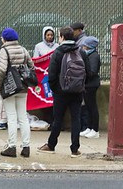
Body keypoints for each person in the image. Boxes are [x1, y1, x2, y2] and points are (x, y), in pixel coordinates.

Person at [38, 27, 89, 157]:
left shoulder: (58, 52)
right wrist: (81, 86)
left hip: (61, 92)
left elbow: (52, 75)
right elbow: (88, 72)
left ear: (61, 37)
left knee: (57, 119)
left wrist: (56, 89)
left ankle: (51, 145)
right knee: (76, 119)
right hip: (77, 91)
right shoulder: (81, 52)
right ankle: (75, 149)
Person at [0, 28, 34, 158]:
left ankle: (12, 146)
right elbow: (31, 66)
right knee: (23, 117)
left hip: (9, 87)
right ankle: (26, 146)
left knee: (11, 117)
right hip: (23, 87)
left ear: (5, 39)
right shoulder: (23, 49)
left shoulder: (4, 50)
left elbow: (1, 70)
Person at [79, 36, 101, 139]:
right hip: (87, 84)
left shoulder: (94, 56)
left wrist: (83, 71)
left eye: (85, 46)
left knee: (92, 107)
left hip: (91, 85)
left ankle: (95, 129)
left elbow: (92, 71)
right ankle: (89, 127)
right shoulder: (89, 55)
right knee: (87, 106)